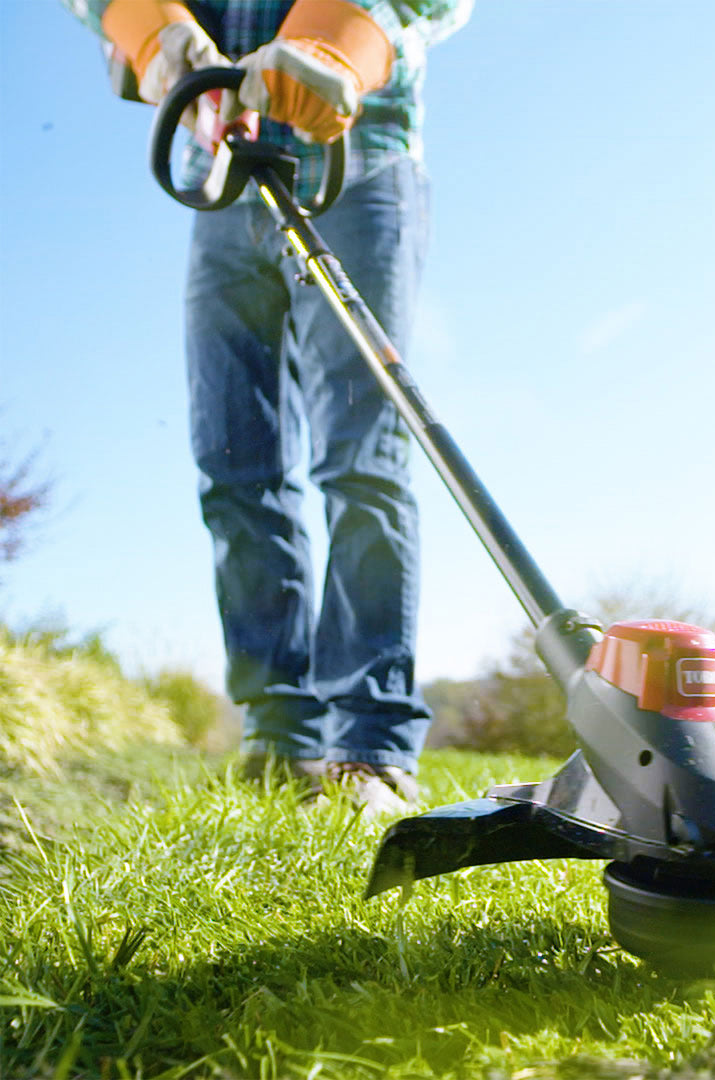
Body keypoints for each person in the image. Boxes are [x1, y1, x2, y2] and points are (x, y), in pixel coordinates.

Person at [62, 0, 473, 812]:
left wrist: (350, 35)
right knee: (234, 459)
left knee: (361, 456)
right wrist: (147, 25)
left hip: (357, 167)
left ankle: (368, 745)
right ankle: (279, 736)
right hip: (225, 179)